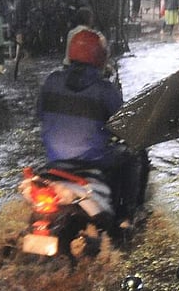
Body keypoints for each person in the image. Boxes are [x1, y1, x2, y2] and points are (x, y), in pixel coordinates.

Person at [36, 28, 142, 223]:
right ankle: (127, 218)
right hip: (93, 163)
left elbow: (40, 116)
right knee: (132, 156)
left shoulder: (51, 81)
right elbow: (126, 125)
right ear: (101, 58)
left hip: (54, 164)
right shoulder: (105, 90)